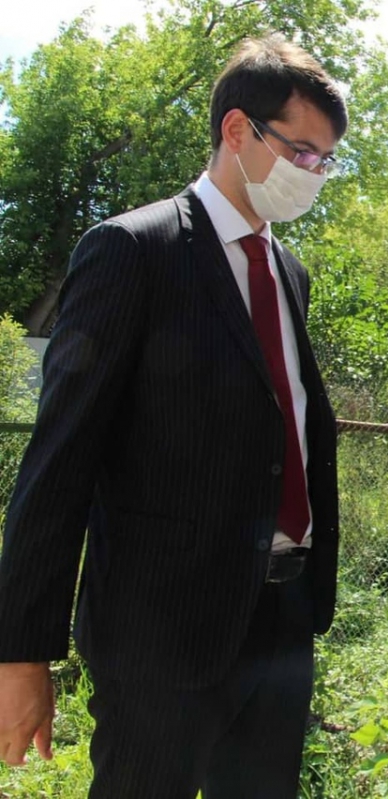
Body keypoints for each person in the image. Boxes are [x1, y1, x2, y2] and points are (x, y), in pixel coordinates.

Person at [0, 35, 344, 798]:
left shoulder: (288, 272)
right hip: (161, 634)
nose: (312, 175)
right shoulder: (133, 251)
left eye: (325, 161)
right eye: (301, 152)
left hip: (281, 623)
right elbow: (59, 462)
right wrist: (23, 652)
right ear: (236, 131)